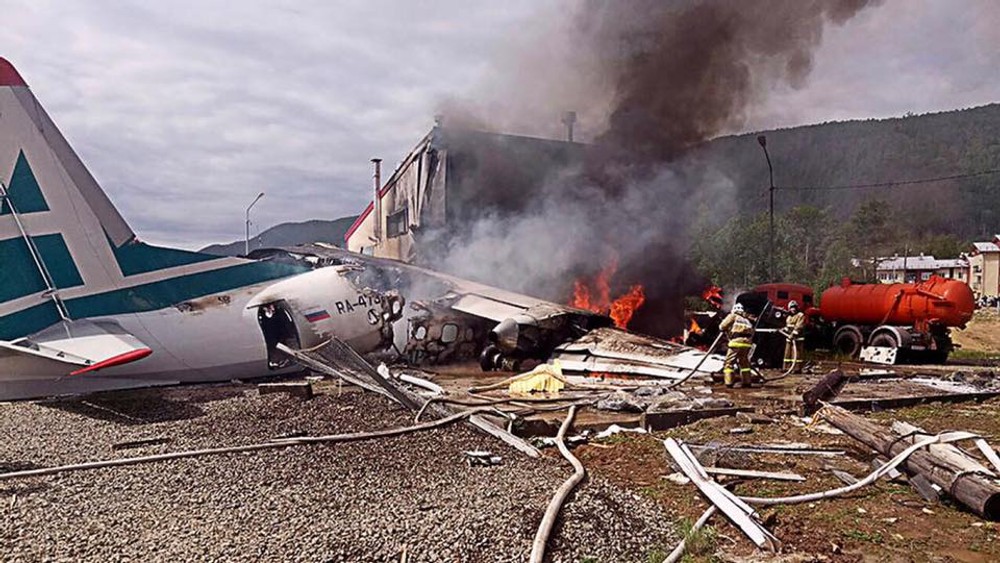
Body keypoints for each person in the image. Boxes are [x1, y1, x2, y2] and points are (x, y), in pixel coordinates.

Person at [719, 303, 755, 388]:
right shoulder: (746, 319)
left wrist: (724, 329)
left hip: (736, 342)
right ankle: (747, 382)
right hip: (747, 343)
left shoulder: (733, 316)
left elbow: (722, 326)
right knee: (744, 362)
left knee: (729, 362)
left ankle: (729, 383)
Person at [783, 300, 806, 373]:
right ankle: (786, 368)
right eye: (791, 307)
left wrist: (793, 334)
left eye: (794, 307)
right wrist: (784, 330)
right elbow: (788, 326)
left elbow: (799, 326)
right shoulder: (789, 317)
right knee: (787, 354)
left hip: (797, 339)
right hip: (789, 339)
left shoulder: (800, 315)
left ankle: (796, 368)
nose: (793, 309)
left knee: (796, 354)